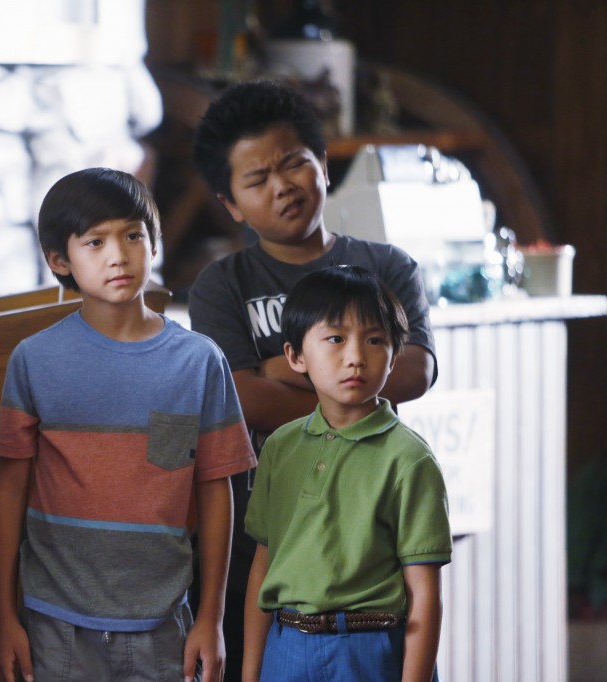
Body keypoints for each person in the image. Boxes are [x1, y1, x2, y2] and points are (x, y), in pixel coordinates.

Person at [187, 79, 438, 679]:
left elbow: (414, 370)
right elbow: (240, 396)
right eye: (257, 179)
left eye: (294, 164)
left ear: (324, 164)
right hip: (265, 538)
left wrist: (281, 368)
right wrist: (344, 380)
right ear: (231, 202)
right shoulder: (222, 285)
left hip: (373, 552)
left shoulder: (386, 266)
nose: (282, 186)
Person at [0, 168, 256, 682]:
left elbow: (216, 491)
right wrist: (4, 617)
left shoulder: (199, 362)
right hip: (54, 624)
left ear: (153, 243)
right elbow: (8, 490)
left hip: (165, 626)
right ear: (59, 260)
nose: (119, 255)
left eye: (133, 235)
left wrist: (211, 619)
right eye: (96, 242)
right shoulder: (35, 360)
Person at [242, 264, 451, 681]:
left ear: (394, 357)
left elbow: (424, 595)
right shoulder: (280, 447)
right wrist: (250, 673)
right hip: (286, 646)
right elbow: (262, 567)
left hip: (369, 650)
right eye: (335, 338)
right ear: (295, 356)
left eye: (375, 340)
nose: (356, 357)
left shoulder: (409, 459)